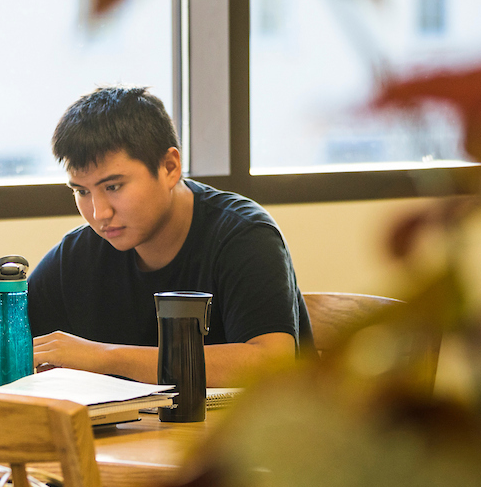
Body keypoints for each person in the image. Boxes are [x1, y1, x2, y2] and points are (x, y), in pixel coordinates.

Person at [27, 86, 312, 387]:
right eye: (82, 192)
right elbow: (8, 333)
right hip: (141, 434)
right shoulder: (78, 255)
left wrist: (104, 357)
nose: (99, 213)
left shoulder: (244, 235)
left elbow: (271, 362)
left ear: (169, 167)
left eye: (113, 187)